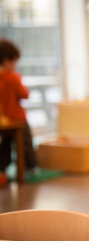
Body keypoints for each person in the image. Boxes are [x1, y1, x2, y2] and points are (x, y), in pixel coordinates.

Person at [0, 39, 37, 186]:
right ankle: (31, 167)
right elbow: (24, 94)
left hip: (4, 120)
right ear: (7, 60)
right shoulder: (13, 77)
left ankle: (2, 168)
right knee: (26, 143)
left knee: (5, 145)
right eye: (14, 61)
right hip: (17, 118)